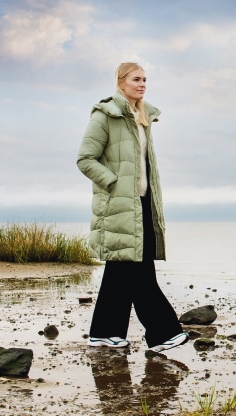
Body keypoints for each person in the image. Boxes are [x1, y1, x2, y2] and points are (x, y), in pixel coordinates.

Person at [76, 62, 188, 353]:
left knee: (121, 272)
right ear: (121, 82)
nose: (142, 84)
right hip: (119, 204)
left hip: (142, 204)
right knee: (139, 273)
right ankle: (164, 333)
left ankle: (104, 333)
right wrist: (114, 183)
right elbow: (85, 159)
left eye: (145, 80)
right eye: (136, 79)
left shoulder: (143, 117)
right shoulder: (105, 115)